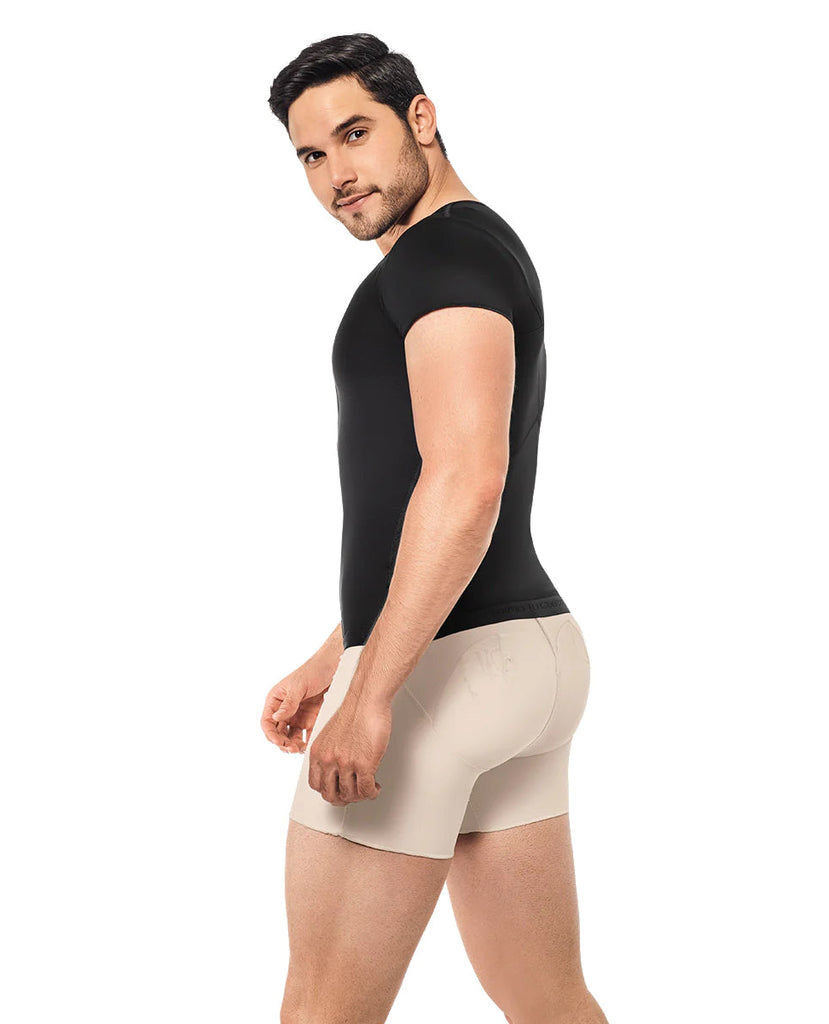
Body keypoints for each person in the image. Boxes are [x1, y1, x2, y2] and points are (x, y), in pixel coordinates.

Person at [262, 32, 609, 1024]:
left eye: (354, 134)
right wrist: (336, 651)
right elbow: (420, 493)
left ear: (420, 117)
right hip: (526, 659)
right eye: (310, 154)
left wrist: (371, 691)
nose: (335, 174)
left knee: (323, 1007)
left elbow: (465, 484)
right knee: (546, 999)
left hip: (440, 673)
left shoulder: (438, 258)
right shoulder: (477, 246)